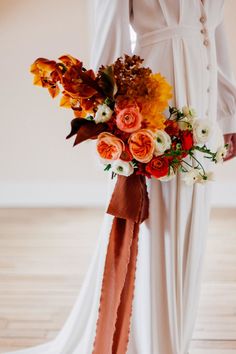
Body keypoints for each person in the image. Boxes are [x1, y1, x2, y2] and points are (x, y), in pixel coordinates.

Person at [5, 0, 236, 353]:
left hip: (201, 92)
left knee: (191, 218)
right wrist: (116, 122)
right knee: (157, 219)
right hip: (156, 95)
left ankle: (176, 333)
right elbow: (108, 44)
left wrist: (228, 111)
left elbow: (213, 32)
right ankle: (149, 338)